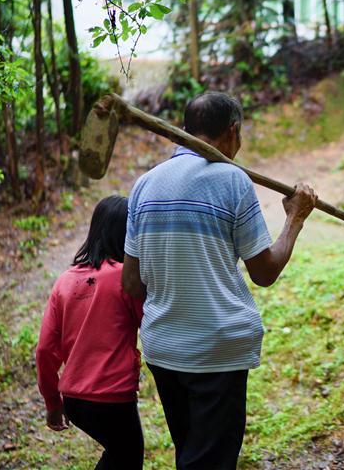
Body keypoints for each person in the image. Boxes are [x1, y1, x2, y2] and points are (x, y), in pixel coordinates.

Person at [122, 91, 317, 469]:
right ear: (233, 131)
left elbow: (131, 282)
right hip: (216, 351)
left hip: (164, 351)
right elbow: (264, 272)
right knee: (209, 462)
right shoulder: (233, 180)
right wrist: (295, 219)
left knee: (192, 453)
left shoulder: (144, 185)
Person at [36, 195, 145, 469]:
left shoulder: (64, 281)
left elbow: (45, 350)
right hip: (114, 397)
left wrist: (52, 401)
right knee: (128, 456)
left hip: (74, 401)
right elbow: (149, 323)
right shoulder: (126, 278)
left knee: (121, 453)